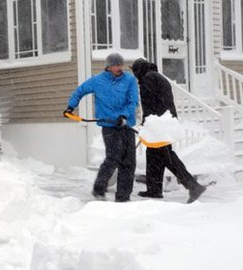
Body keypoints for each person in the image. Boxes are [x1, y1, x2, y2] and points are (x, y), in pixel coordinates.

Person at [64, 53, 139, 202]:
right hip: (109, 126)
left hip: (125, 125)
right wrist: (71, 106)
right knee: (113, 158)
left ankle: (123, 196)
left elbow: (133, 101)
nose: (119, 68)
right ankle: (99, 189)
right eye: (116, 65)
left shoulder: (129, 80)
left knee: (129, 162)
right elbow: (80, 91)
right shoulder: (98, 81)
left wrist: (124, 116)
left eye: (121, 65)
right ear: (109, 66)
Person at [130, 58, 206, 203]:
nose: (136, 77)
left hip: (158, 124)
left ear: (139, 70)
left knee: (165, 157)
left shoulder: (148, 79)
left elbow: (149, 103)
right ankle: (154, 190)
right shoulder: (158, 77)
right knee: (153, 156)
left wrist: (147, 122)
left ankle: (193, 186)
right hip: (166, 121)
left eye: (135, 73)